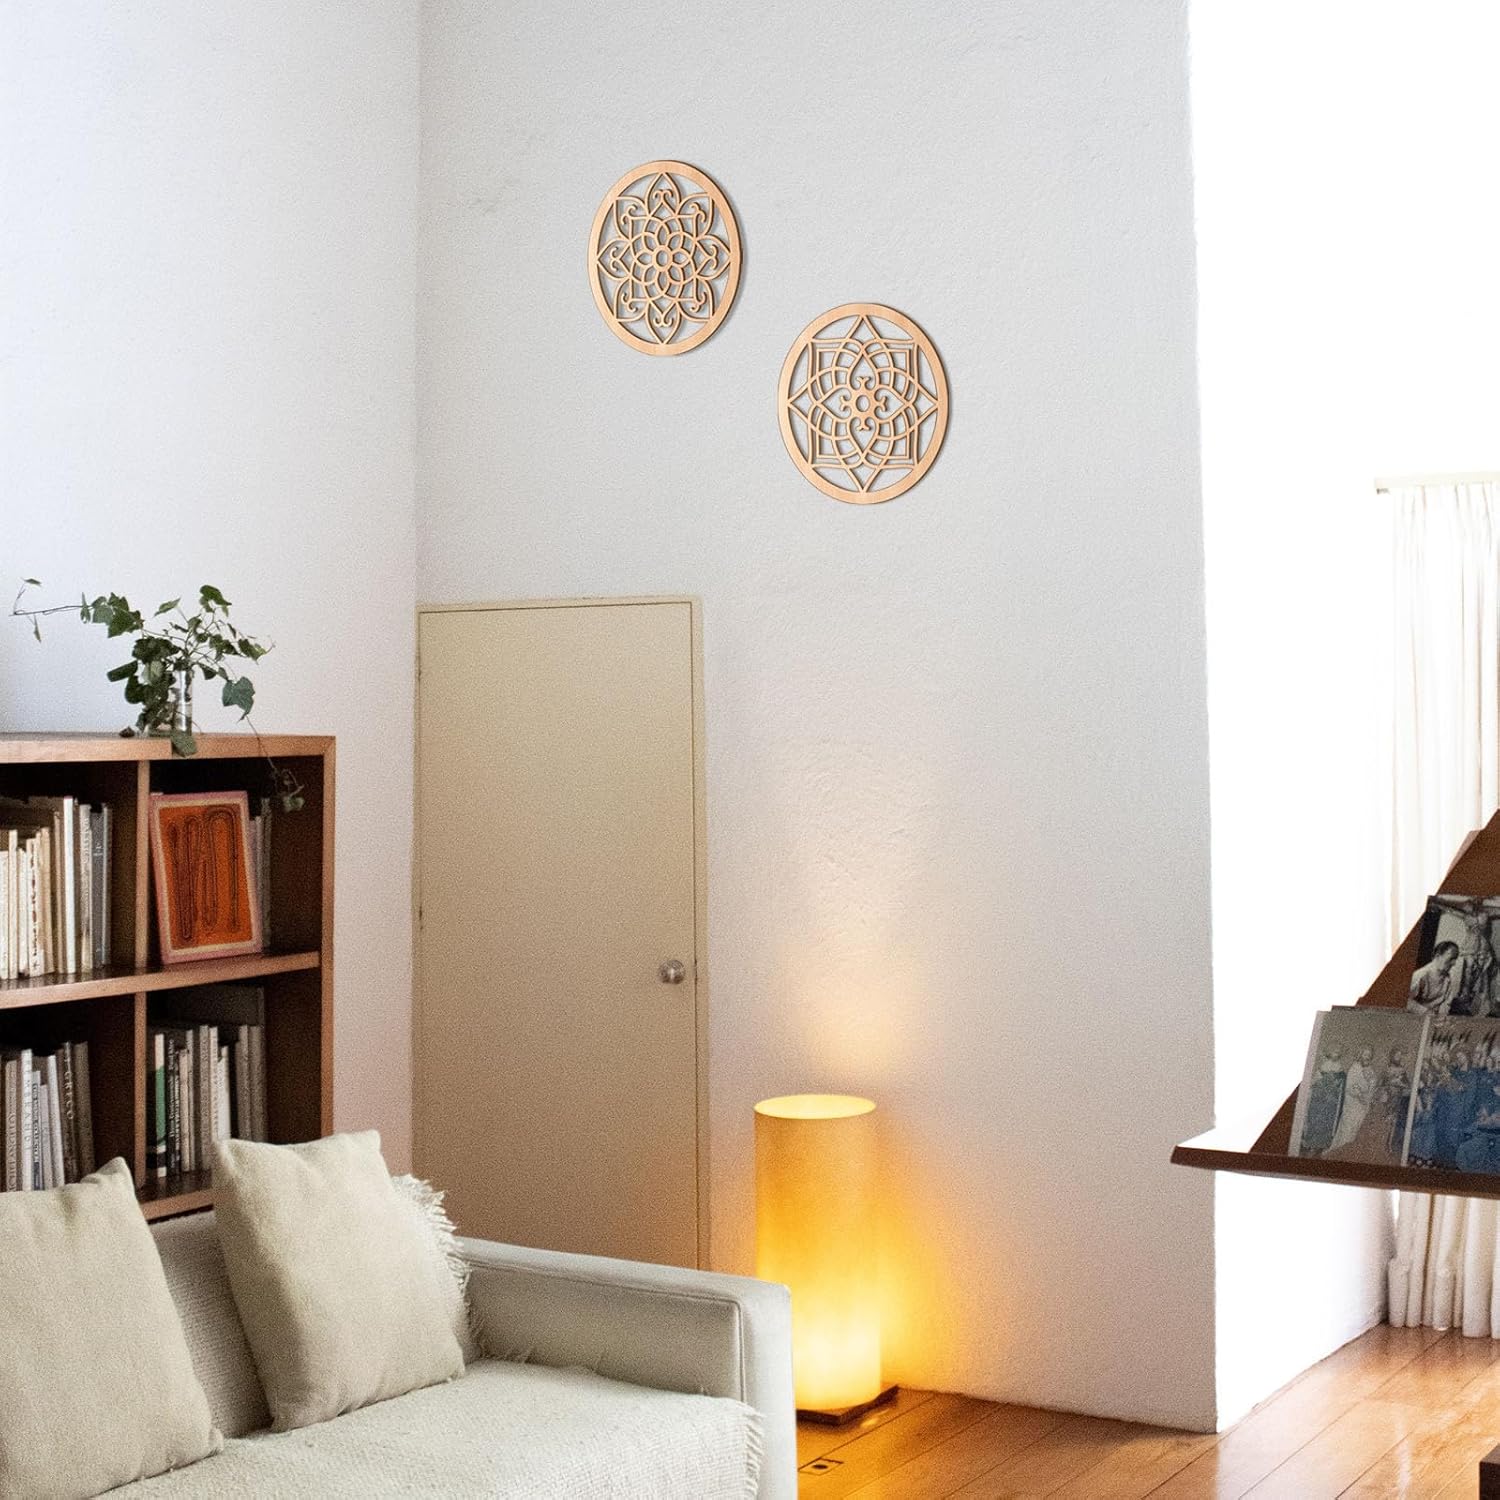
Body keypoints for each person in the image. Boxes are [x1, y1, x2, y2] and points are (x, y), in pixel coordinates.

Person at [1329, 1045, 1378, 1151]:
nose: (1367, 1057)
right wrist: (1360, 1095)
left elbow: (1373, 1086)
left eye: (1369, 1055)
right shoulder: (1354, 1068)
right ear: (1360, 1055)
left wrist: (1371, 1084)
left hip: (1363, 1106)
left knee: (1358, 1129)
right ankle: (1340, 1151)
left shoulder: (1371, 1070)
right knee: (1348, 1128)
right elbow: (1350, 1087)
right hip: (1352, 1105)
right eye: (1365, 1054)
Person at [1410, 941, 1460, 1013]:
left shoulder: (1447, 978)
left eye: (1455, 959)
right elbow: (1407, 1001)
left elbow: (1446, 1003)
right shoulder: (1421, 975)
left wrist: (1441, 1016)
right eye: (1451, 958)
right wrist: (1426, 1012)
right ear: (1438, 956)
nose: (1454, 963)